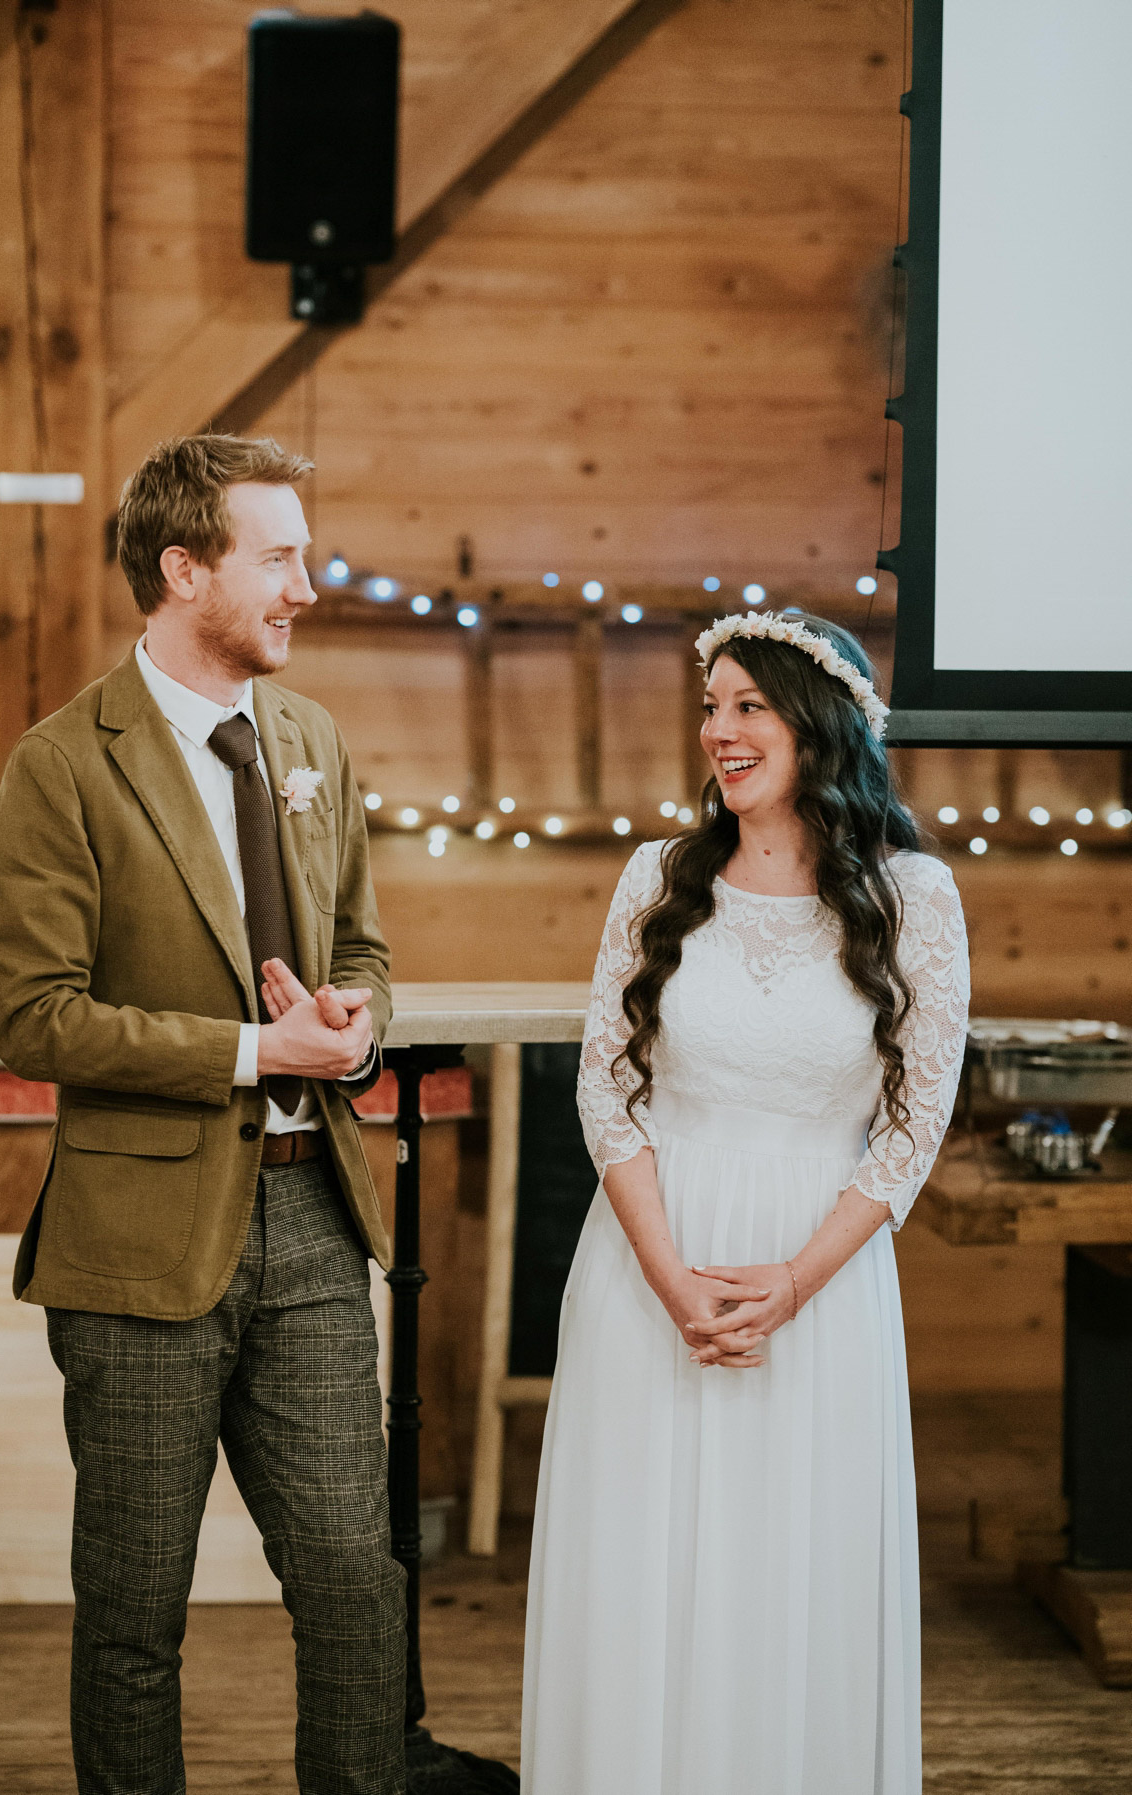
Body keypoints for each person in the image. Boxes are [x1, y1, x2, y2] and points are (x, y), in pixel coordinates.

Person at [0, 434, 406, 1795]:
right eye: (278, 556)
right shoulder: (61, 763)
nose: (305, 585)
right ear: (184, 568)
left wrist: (353, 1022)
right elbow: (33, 1014)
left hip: (318, 1220)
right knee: (134, 1615)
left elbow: (364, 949)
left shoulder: (314, 740)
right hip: (139, 1244)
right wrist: (243, 1047)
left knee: (356, 1581)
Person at [522, 610, 970, 1794]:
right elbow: (604, 1092)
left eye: (747, 706)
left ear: (818, 723)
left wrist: (788, 1283)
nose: (718, 730)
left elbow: (914, 1123)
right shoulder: (657, 880)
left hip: (820, 1290)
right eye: (709, 706)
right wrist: (676, 1283)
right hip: (645, 1272)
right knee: (645, 1573)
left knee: (791, 1572)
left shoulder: (913, 895)